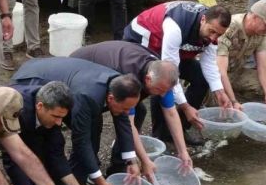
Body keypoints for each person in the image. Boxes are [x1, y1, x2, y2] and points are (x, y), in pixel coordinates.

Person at [12, 58, 142, 185]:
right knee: (36, 143)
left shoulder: (118, 84)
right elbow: (81, 140)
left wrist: (132, 161)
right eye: (125, 108)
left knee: (90, 130)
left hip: (70, 88)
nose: (127, 112)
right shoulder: (88, 96)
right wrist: (99, 181)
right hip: (34, 79)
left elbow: (123, 122)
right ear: (111, 99)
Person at [70, 40, 193, 176]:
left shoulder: (161, 74)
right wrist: (144, 160)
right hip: (80, 69)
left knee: (140, 111)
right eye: (159, 90)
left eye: (165, 91)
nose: (162, 94)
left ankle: (118, 165)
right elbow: (128, 123)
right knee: (92, 126)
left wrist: (183, 152)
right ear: (147, 79)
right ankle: (86, 172)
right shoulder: (129, 78)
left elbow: (170, 112)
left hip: (109, 64)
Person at [123, 1, 232, 145]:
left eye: (218, 34)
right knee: (161, 82)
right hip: (143, 40)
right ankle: (160, 134)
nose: (213, 38)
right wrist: (185, 106)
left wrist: (219, 91)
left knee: (200, 77)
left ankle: (179, 127)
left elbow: (209, 63)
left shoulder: (213, 32)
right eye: (212, 32)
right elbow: (168, 73)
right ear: (203, 19)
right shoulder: (176, 26)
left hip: (173, 47)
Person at [0, 81, 90, 185]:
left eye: (62, 118)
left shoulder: (53, 111)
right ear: (40, 106)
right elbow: (13, 160)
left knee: (43, 157)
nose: (59, 123)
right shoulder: (18, 111)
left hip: (33, 126)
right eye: (56, 116)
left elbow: (56, 154)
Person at [216, 0, 266, 110]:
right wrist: (233, 101)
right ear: (255, 17)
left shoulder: (260, 33)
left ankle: (236, 93)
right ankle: (231, 96)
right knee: (220, 104)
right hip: (215, 76)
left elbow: (263, 66)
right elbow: (220, 72)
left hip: (236, 72)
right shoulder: (229, 28)